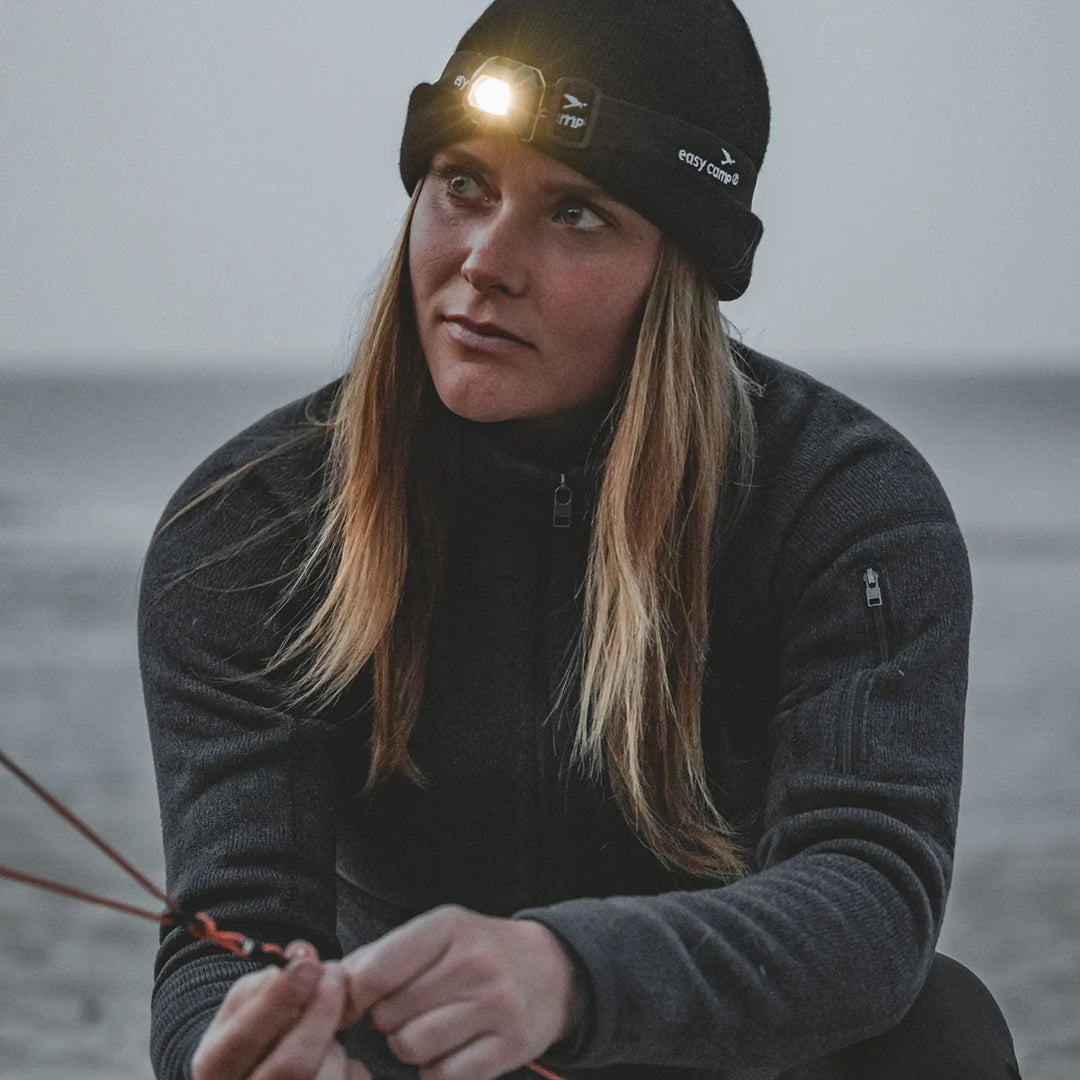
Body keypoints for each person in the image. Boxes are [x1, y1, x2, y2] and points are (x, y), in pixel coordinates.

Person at [137, 2, 1023, 1078]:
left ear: (676, 268)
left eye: (578, 214)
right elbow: (229, 933)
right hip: (422, 1063)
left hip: (713, 1056)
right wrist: (243, 1048)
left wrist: (565, 974)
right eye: (464, 184)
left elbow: (873, 904)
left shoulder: (842, 505)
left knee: (940, 1025)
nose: (486, 261)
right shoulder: (253, 522)